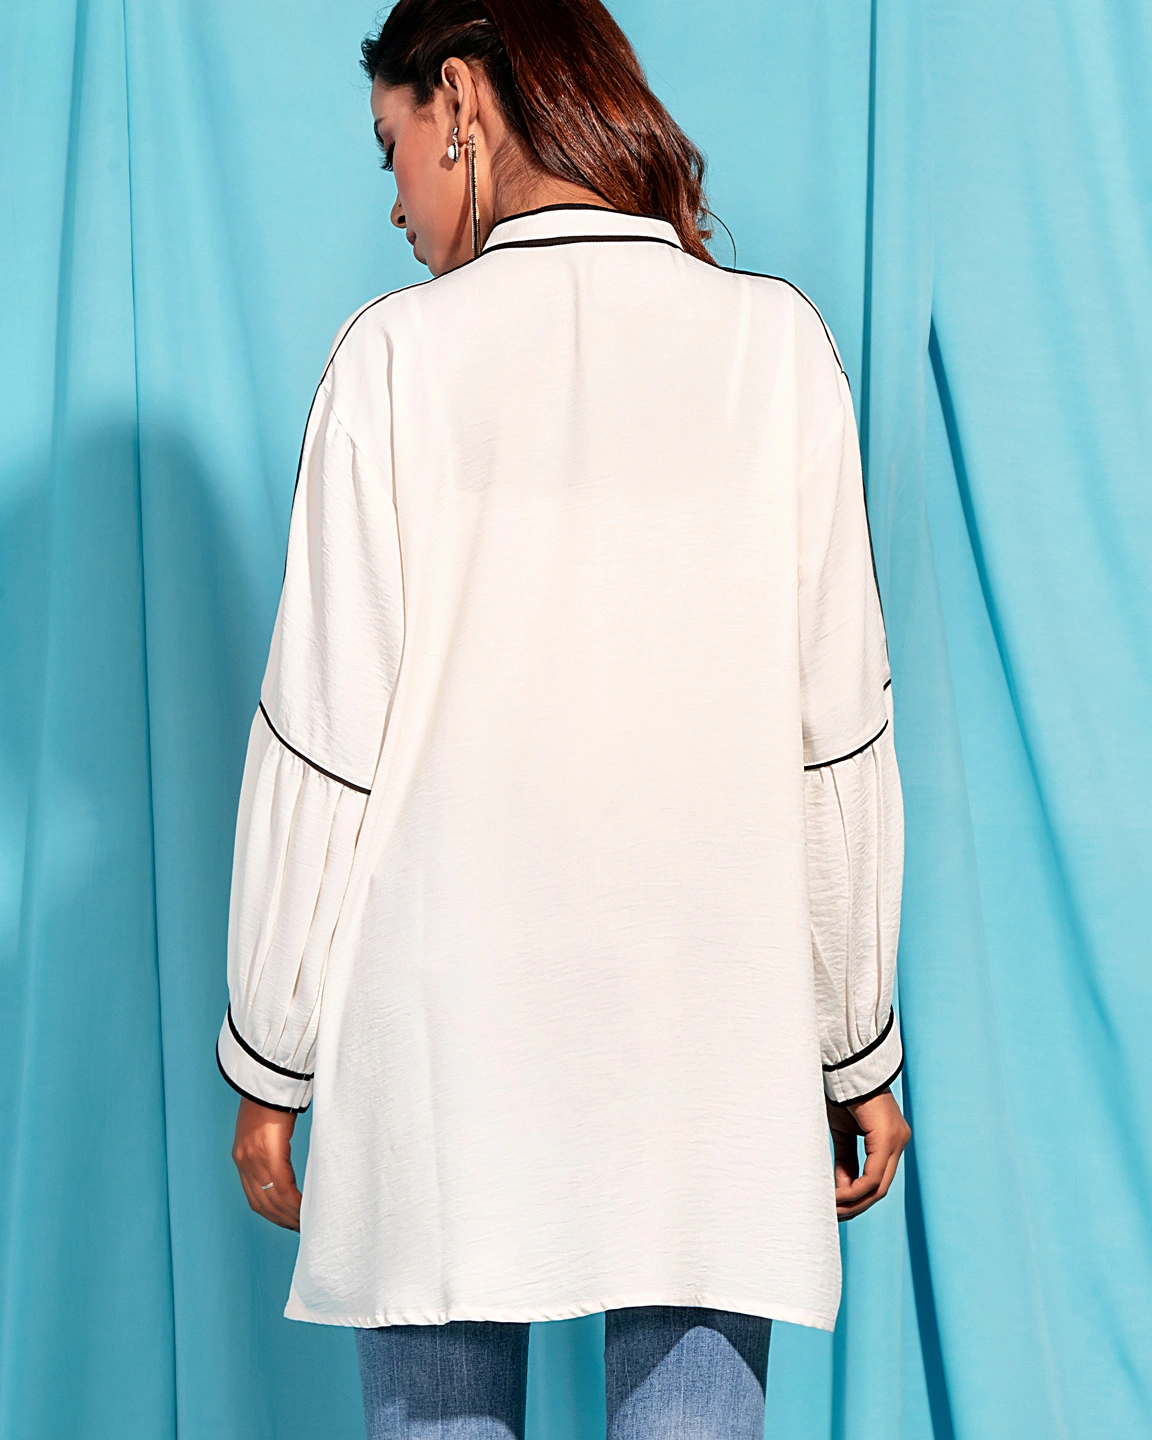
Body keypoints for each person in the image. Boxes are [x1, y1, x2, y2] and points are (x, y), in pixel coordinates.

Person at [216, 0, 912, 1435]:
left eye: (393, 145)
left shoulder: (394, 360)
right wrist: (856, 1047)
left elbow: (323, 750)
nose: (394, 204)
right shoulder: (775, 349)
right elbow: (836, 746)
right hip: (709, 1028)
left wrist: (271, 1063)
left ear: (460, 98)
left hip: (439, 1040)